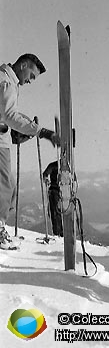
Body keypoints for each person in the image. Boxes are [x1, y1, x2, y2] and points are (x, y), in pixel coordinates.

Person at [0, 54, 59, 247]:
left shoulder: (8, 81)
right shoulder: (6, 81)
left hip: (4, 140)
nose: (30, 81)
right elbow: (9, 116)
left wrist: (16, 132)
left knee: (11, 187)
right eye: (31, 75)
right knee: (5, 186)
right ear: (23, 64)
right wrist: (41, 131)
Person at [43, 161, 63, 237]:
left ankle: (59, 232)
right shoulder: (55, 165)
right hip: (55, 191)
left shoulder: (54, 165)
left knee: (56, 212)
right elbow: (45, 174)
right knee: (55, 212)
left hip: (58, 191)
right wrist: (46, 178)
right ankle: (58, 232)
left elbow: (45, 174)